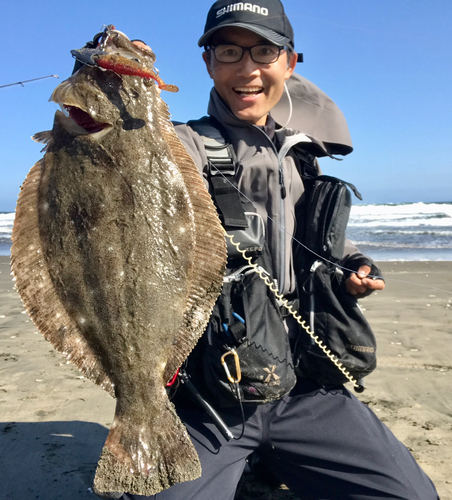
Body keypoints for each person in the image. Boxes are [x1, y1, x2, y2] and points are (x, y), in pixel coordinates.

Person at [119, 1, 440, 498]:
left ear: (289, 63)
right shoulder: (181, 144)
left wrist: (353, 262)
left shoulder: (299, 154)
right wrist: (123, 89)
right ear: (208, 62)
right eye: (229, 51)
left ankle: (266, 463)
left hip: (302, 383)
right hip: (210, 390)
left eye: (264, 51)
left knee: (411, 494)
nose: (247, 68)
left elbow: (309, 234)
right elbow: (130, 159)